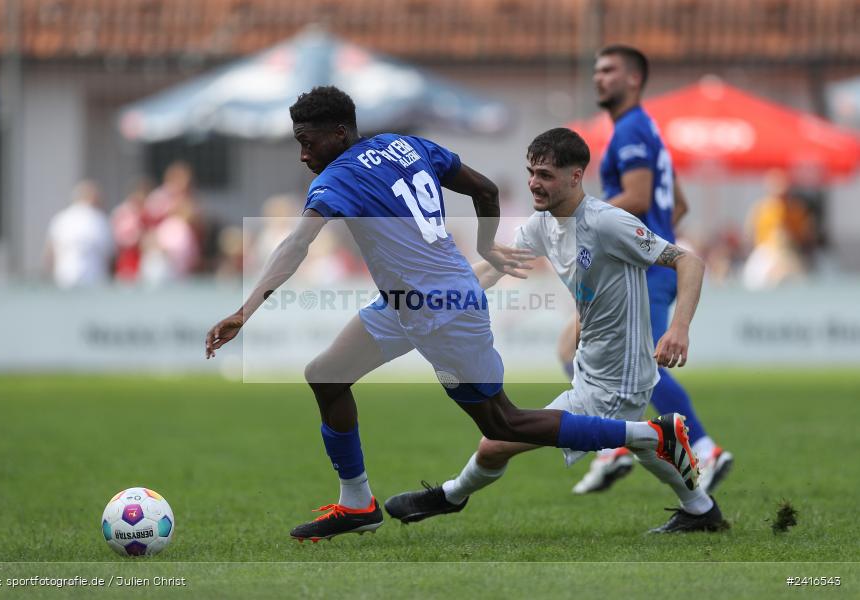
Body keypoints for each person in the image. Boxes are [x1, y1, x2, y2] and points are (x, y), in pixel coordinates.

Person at [204, 87, 699, 542]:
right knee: (326, 375)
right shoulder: (406, 145)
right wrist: (487, 246)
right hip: (407, 304)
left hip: (441, 312)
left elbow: (296, 245)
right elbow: (483, 189)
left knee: (504, 425)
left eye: (306, 141)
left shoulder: (337, 179)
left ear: (340, 133)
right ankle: (357, 504)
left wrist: (245, 311)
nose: (303, 153)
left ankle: (650, 435)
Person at [384, 128, 727, 533]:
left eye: (545, 174)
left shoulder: (608, 223)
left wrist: (678, 329)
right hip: (591, 369)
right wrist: (436, 298)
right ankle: (700, 508)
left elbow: (689, 262)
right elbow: (496, 268)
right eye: (530, 171)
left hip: (622, 377)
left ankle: (449, 497)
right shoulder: (541, 225)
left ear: (576, 176)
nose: (534, 182)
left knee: (497, 439)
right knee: (637, 443)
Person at [566, 45, 733, 494]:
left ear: (634, 79)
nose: (598, 77)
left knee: (638, 363)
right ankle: (613, 444)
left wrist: (578, 215)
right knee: (576, 348)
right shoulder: (646, 129)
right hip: (645, 266)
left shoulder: (630, 130)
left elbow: (639, 198)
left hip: (643, 271)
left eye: (609, 70)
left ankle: (701, 448)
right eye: (596, 70)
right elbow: (677, 204)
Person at [45, 179, 115, 289]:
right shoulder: (98, 219)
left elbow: (50, 252)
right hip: (93, 278)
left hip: (64, 276)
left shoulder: (61, 218)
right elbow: (109, 254)